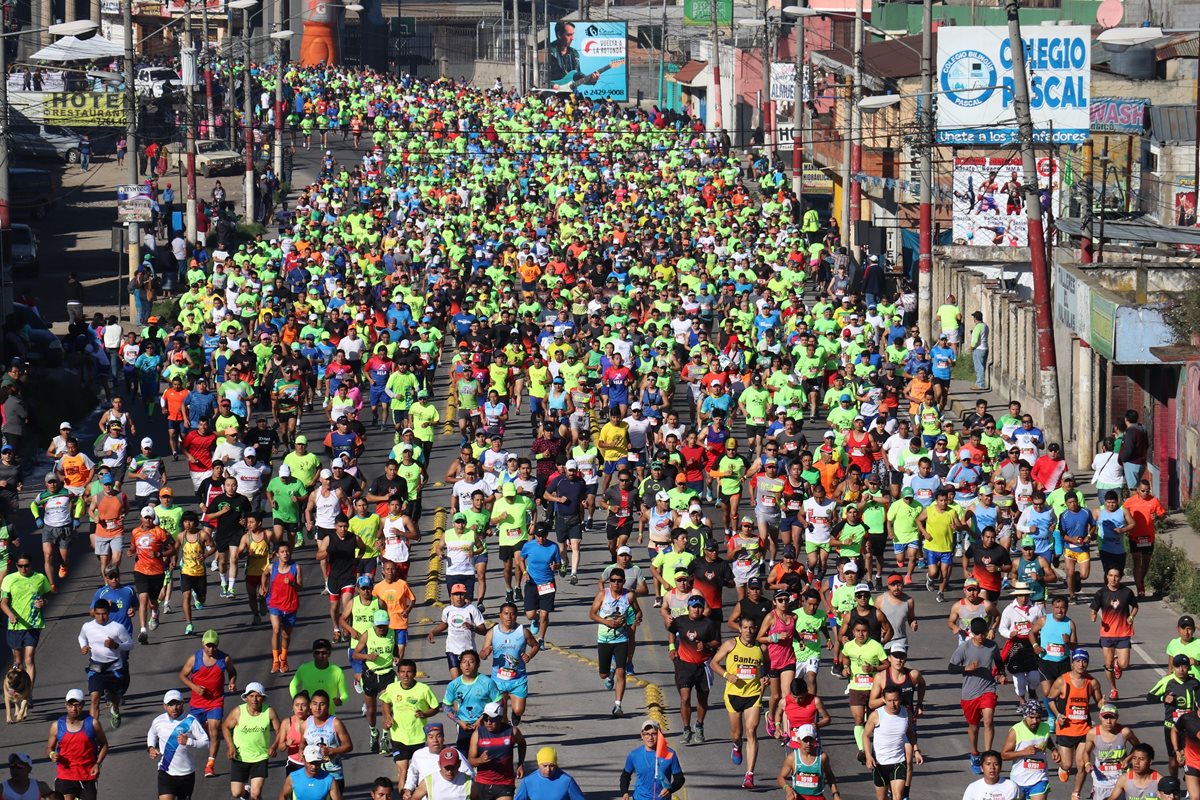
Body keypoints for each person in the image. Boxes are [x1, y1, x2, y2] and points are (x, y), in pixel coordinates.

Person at [711, 615, 766, 789]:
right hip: (733, 695)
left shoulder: (760, 648)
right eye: (745, 628)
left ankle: (749, 775)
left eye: (751, 628)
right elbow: (714, 663)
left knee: (751, 731)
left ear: (755, 629)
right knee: (737, 734)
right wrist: (728, 675)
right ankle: (736, 745)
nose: (748, 631)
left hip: (753, 694)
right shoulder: (731, 644)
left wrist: (765, 677)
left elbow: (767, 665)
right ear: (740, 629)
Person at [950, 617, 1007, 774]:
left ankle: (987, 756)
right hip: (969, 694)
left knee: (988, 720)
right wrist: (965, 669)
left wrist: (1001, 674)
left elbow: (999, 662)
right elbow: (951, 667)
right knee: (973, 726)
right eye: (977, 633)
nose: (980, 636)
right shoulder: (965, 648)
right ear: (971, 633)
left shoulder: (992, 646)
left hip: (988, 689)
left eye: (982, 633)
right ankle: (975, 754)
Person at [179, 629, 237, 778]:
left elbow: (232, 672)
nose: (211, 649)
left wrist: (231, 682)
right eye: (208, 646)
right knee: (190, 734)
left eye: (214, 646)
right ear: (203, 644)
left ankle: (210, 766)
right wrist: (195, 687)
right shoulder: (194, 659)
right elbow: (182, 675)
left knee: (214, 732)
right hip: (197, 703)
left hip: (215, 702)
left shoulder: (224, 659)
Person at [379, 659, 439, 787]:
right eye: (402, 672)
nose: (405, 675)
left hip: (419, 738)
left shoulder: (423, 689)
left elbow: (435, 707)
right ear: (398, 674)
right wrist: (388, 716)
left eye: (409, 672)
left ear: (414, 673)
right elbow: (385, 702)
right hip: (398, 737)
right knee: (403, 771)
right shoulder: (392, 688)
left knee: (420, 772)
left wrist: (425, 714)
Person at [1048, 648, 1102, 785]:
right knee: (1067, 764)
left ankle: (1076, 793)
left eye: (1084, 661)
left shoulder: (1092, 682)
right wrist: (1057, 715)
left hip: (1084, 728)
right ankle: (1063, 768)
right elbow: (1050, 699)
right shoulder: (1062, 681)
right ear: (1072, 663)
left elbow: (1099, 702)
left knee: (1082, 764)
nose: (1081, 664)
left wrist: (1103, 704)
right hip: (1066, 728)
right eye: (1078, 661)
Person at [146, 689, 211, 800]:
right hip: (165, 771)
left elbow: (206, 743)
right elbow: (152, 733)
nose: (174, 708)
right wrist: (151, 747)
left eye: (177, 704)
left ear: (182, 704)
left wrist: (189, 742)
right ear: (165, 706)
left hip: (186, 773)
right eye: (170, 705)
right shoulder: (158, 721)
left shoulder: (190, 721)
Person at [2, 553, 51, 698]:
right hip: (16, 626)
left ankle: (28, 692)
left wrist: (44, 602)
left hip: (33, 624)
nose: (23, 568)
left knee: (29, 658)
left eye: (26, 565)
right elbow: (3, 603)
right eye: (20, 566)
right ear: (16, 566)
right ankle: (18, 689)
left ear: (31, 564)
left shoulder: (40, 578)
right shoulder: (9, 579)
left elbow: (47, 594)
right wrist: (10, 615)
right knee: (18, 661)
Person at [220, 682, 280, 800]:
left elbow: (281, 730)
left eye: (258, 696)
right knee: (236, 793)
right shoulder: (238, 711)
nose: (254, 699)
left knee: (256, 794)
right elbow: (225, 726)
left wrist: (274, 746)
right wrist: (230, 747)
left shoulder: (269, 711)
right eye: (251, 696)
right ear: (246, 697)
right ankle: (245, 794)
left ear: (262, 698)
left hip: (260, 757)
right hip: (240, 757)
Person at [77, 599, 131, 728]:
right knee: (94, 699)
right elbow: (81, 637)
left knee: (114, 698)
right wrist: (83, 646)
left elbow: (130, 645)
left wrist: (115, 645)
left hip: (114, 668)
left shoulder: (117, 628)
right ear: (94, 613)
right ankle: (92, 731)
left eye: (105, 614)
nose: (102, 617)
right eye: (98, 614)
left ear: (109, 613)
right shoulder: (87, 626)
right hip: (96, 667)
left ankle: (115, 709)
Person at [46, 688, 108, 800]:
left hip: (87, 775)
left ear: (83, 705)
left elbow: (104, 745)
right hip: (65, 775)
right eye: (70, 705)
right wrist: (51, 754)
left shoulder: (93, 723)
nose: (73, 708)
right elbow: (49, 747)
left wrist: (97, 764)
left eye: (77, 705)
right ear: (65, 705)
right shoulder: (56, 726)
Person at [863, 685, 921, 800]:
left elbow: (909, 733)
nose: (892, 704)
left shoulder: (906, 713)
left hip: (898, 761)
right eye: (889, 700)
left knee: (898, 796)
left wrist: (916, 750)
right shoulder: (876, 715)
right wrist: (868, 756)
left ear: (900, 699)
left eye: (895, 700)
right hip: (879, 763)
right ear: (884, 700)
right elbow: (865, 735)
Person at [1090, 568, 1138, 700]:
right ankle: (1113, 689)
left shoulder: (1126, 592)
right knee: (1108, 664)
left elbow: (1135, 606)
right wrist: (1093, 616)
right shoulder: (1101, 593)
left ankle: (1118, 664)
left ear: (1120, 577)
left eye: (1116, 576)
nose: (1113, 579)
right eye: (1110, 575)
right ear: (1107, 576)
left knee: (1124, 665)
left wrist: (1131, 617)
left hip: (1123, 632)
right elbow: (1094, 609)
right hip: (1107, 634)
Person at [998, 700, 1058, 800]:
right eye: (1032, 717)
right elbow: (1004, 755)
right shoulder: (1016, 731)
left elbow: (1046, 739)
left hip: (1039, 778)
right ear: (1025, 716)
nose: (1035, 721)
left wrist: (1053, 749)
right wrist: (1023, 752)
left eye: (1038, 717)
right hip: (1018, 780)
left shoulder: (1045, 727)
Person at [465, 703, 525, 800]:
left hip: (505, 783)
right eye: (485, 718)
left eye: (492, 719)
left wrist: (520, 763)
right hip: (483, 782)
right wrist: (480, 760)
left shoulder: (512, 732)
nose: (488, 722)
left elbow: (522, 743)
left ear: (500, 718)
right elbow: (470, 761)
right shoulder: (478, 734)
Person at [619, 719, 685, 800]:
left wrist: (669, 789)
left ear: (659, 734)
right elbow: (625, 776)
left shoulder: (670, 754)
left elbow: (680, 779)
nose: (650, 737)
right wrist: (625, 793)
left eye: (654, 734)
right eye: (646, 734)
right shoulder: (634, 755)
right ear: (642, 735)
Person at [776, 725, 841, 800]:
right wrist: (788, 790)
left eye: (811, 740)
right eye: (805, 740)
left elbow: (829, 776)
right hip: (798, 797)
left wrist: (835, 794)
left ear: (815, 740)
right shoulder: (792, 758)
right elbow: (781, 777)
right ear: (799, 740)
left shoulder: (822, 757)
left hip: (817, 797)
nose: (808, 743)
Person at [512, 746, 586, 800]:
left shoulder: (567, 781)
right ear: (538, 764)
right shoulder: (528, 781)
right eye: (544, 765)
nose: (548, 769)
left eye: (552, 765)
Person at [276, 745, 341, 800]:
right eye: (311, 763)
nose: (314, 767)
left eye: (317, 763)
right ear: (304, 759)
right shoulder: (293, 777)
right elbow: (282, 795)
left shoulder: (329, 780)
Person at [408, 748, 476, 800]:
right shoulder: (428, 781)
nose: (449, 771)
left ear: (459, 764)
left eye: (452, 767)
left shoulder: (469, 781)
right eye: (446, 768)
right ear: (439, 764)